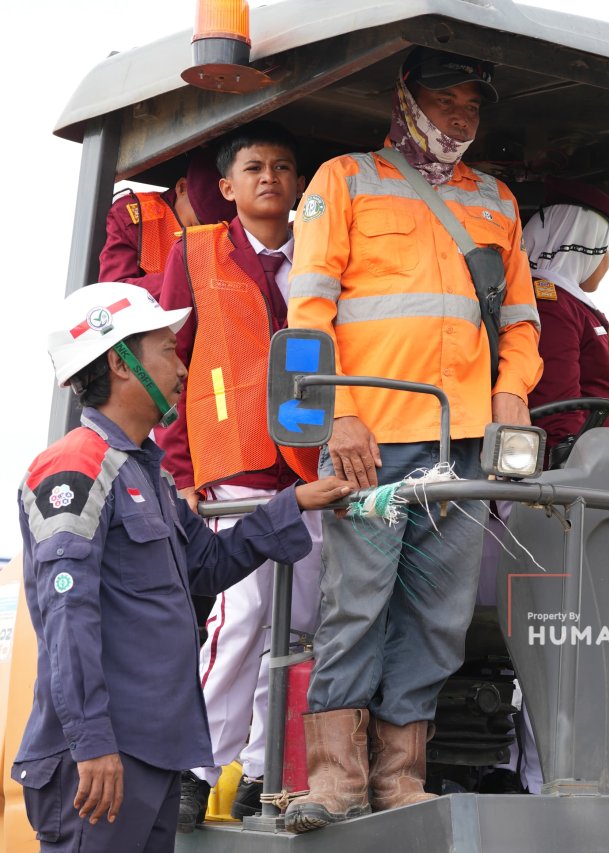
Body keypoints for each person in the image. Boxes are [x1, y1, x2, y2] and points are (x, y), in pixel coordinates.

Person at [283, 47, 541, 832]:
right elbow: (309, 312)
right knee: (357, 606)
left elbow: (522, 323)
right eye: (445, 99)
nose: (461, 116)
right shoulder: (344, 179)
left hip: (461, 445)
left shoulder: (496, 200)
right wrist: (336, 413)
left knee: (438, 616)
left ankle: (400, 779)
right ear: (406, 99)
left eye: (472, 105)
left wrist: (510, 392)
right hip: (368, 441)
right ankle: (335, 779)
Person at [9, 282, 352, 852]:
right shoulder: (76, 468)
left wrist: (292, 504)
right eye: (168, 350)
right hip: (101, 762)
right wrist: (92, 744)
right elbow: (68, 617)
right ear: (121, 364)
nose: (183, 367)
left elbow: (208, 565)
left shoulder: (148, 474)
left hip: (153, 755)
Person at [153, 121, 324, 831]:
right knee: (244, 616)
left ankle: (260, 771)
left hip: (309, 467)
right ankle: (193, 770)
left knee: (300, 624)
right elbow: (168, 360)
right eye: (254, 167)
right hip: (233, 464)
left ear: (299, 183)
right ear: (226, 185)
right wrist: (179, 468)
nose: (270, 178)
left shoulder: (319, 252)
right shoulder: (194, 251)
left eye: (283, 166)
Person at [524, 177, 609, 465]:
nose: (607, 261)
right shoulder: (550, 305)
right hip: (584, 468)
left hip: (605, 457)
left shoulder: (569, 302)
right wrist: (570, 466)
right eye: (606, 249)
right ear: (583, 247)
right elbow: (557, 407)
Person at [98, 148, 236, 297]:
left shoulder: (234, 232)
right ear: (182, 188)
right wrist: (185, 280)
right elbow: (113, 292)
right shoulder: (134, 217)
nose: (202, 236)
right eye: (196, 225)